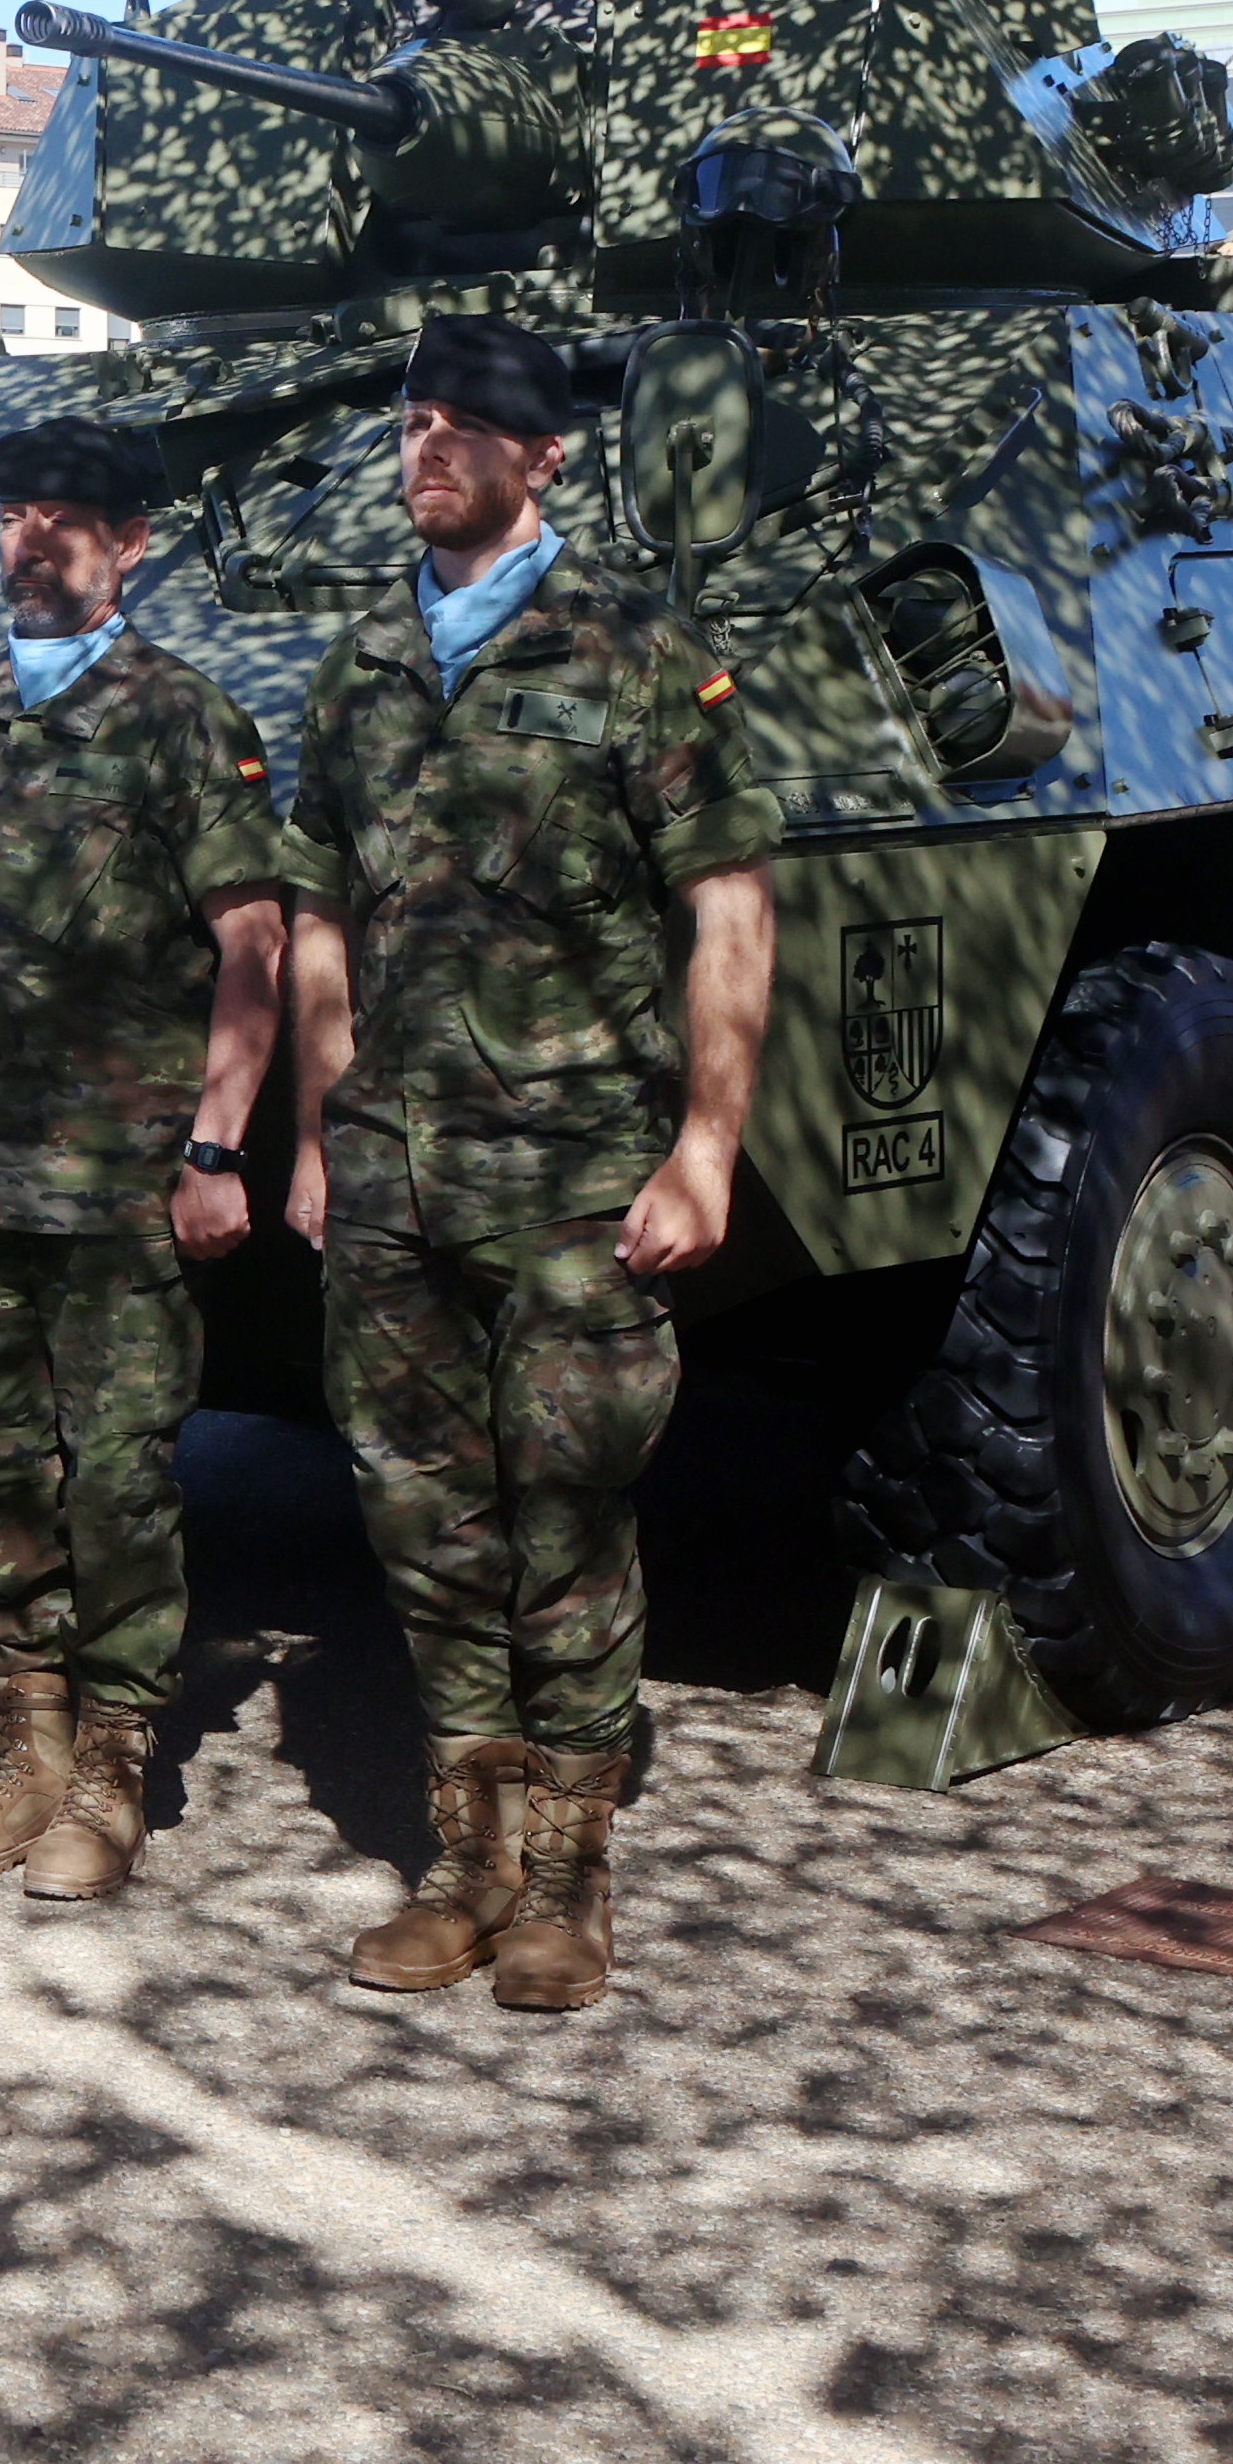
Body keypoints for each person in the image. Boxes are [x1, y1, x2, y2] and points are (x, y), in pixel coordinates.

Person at [279, 316, 776, 2013]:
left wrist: (704, 1142)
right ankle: (466, 1855)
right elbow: (315, 914)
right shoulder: (356, 663)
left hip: (572, 1167)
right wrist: (308, 1130)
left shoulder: (631, 646)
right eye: (411, 419)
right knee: (421, 1514)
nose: (426, 446)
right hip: (394, 1177)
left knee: (564, 1505)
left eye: (461, 423)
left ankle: (568, 1869)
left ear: (540, 454)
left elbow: (725, 900)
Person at [0, 416, 284, 1904]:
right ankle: (25, 1750)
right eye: (17, 516)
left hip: (120, 1182)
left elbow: (255, 940)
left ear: (131, 547)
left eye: (65, 519)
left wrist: (219, 1143)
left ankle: (114, 1769)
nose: (31, 539)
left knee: (117, 1480)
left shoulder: (182, 718)